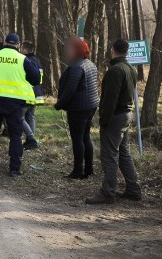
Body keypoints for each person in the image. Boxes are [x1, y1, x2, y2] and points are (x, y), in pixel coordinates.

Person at [86, 38, 143, 205]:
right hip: (127, 115)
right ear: (127, 51)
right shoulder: (131, 69)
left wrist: (104, 119)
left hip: (115, 117)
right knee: (124, 153)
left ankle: (107, 192)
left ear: (112, 50)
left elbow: (110, 99)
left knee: (109, 155)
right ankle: (133, 189)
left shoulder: (115, 70)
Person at [0, 33, 41, 177]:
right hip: (14, 103)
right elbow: (36, 79)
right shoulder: (23, 59)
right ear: (18, 45)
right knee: (15, 136)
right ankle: (14, 169)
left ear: (5, 42)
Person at [54, 37, 99, 179]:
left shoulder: (76, 67)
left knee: (78, 139)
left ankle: (78, 171)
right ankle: (89, 169)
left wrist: (59, 104)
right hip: (91, 106)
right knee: (86, 137)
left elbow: (70, 90)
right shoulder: (90, 64)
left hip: (79, 108)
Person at [20, 41, 42, 151]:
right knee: (30, 116)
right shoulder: (37, 60)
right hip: (37, 93)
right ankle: (30, 141)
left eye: (21, 48)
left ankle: (31, 138)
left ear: (25, 50)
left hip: (28, 93)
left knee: (18, 117)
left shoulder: (26, 60)